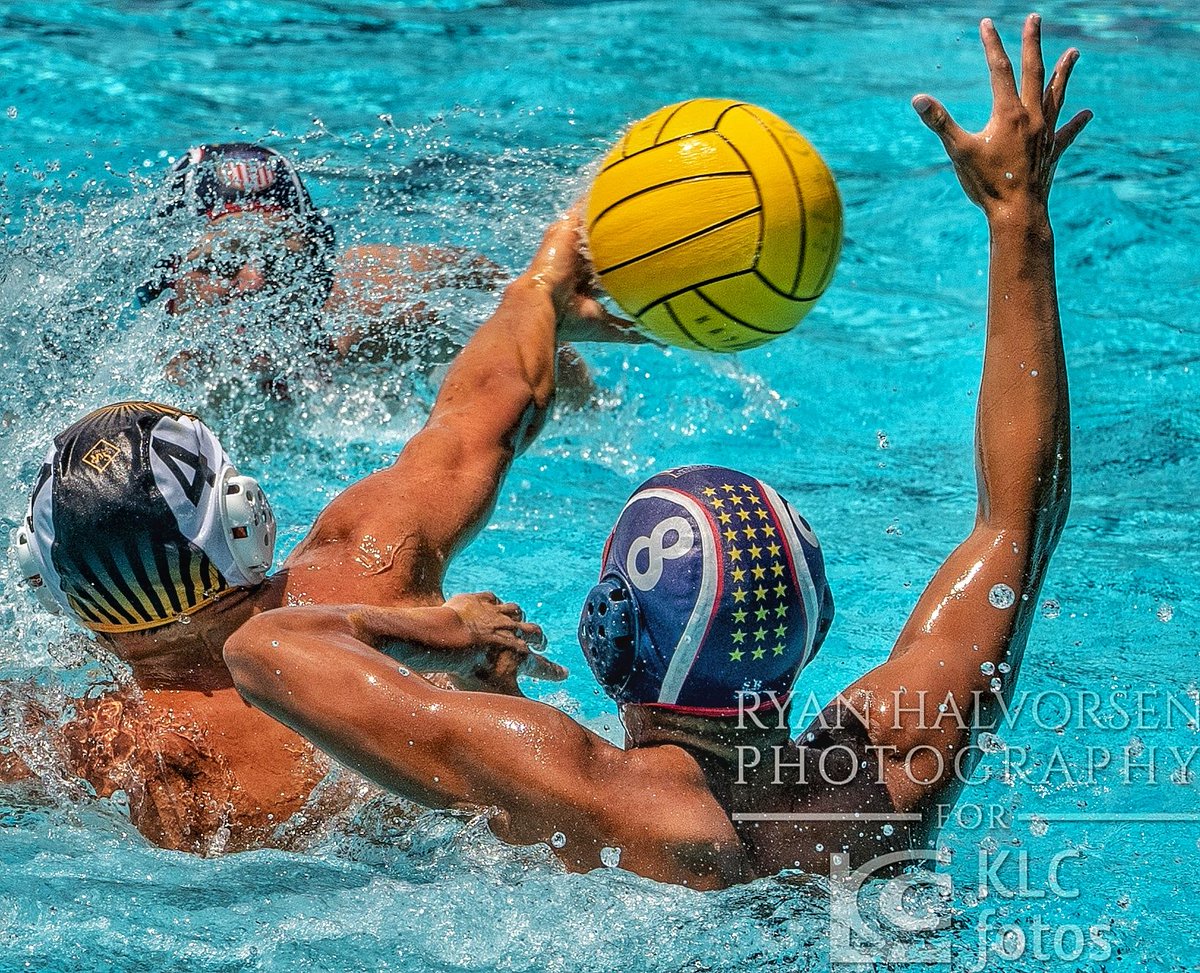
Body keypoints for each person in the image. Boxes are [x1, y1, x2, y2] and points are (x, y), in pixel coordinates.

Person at [218, 15, 1091, 888]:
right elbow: (1018, 517)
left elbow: (263, 652)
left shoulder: (583, 791)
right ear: (813, 624)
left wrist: (441, 636)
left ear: (608, 635)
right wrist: (1019, 215)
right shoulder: (887, 775)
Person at [137, 142, 599, 398]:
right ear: (171, 275)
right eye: (225, 263)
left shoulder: (374, 313)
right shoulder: (141, 389)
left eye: (279, 256)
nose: (256, 281)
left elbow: (533, 326)